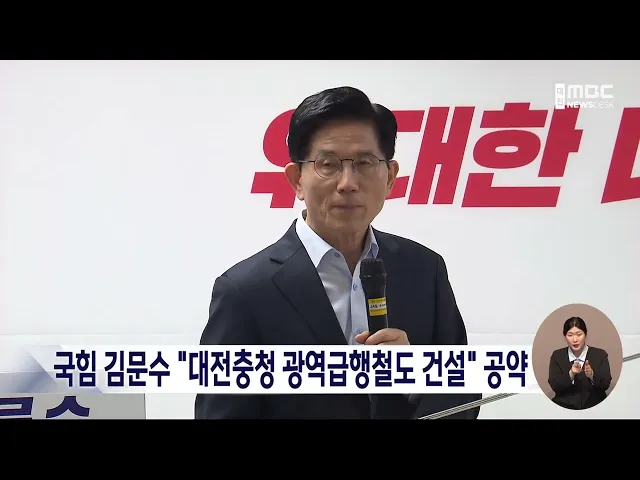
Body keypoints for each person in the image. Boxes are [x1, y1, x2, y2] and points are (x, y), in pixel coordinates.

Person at [195, 86, 481, 419]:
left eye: (364, 163)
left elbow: (465, 399)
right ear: (297, 179)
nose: (347, 183)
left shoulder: (424, 270)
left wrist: (418, 377)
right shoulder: (244, 292)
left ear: (390, 177)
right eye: (328, 164)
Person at [548, 316, 612, 410]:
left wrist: (592, 375)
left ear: (585, 334)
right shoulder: (557, 356)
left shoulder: (600, 355)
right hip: (564, 408)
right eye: (570, 335)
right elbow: (554, 385)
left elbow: (606, 384)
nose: (575, 340)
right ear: (565, 336)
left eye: (579, 334)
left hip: (595, 408)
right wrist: (571, 374)